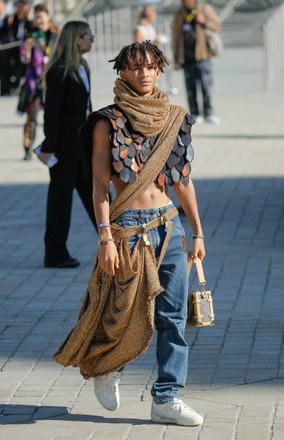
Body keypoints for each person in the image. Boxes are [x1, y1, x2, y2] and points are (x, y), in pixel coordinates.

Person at [53, 41, 206, 427]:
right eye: (135, 67)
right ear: (121, 71)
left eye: (151, 66)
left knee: (171, 317)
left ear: (160, 70)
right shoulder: (107, 121)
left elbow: (183, 181)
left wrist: (198, 232)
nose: (144, 73)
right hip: (128, 232)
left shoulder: (174, 118)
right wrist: (105, 237)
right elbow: (100, 186)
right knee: (120, 311)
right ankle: (107, 367)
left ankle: (167, 397)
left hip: (169, 228)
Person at [36, 21, 96, 269]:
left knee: (96, 194)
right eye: (88, 36)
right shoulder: (60, 70)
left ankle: (117, 240)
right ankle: (55, 252)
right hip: (64, 145)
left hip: (82, 143)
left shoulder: (81, 66)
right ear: (76, 40)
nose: (91, 39)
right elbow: (52, 112)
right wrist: (49, 146)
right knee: (61, 201)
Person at [17, 3, 58, 160]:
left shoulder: (56, 35)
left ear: (48, 17)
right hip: (34, 83)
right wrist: (26, 50)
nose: (39, 20)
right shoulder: (29, 37)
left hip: (52, 83)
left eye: (42, 16)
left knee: (53, 116)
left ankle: (52, 146)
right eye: (37, 17)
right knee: (31, 117)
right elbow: (23, 60)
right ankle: (28, 148)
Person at [172, 0, 221, 124]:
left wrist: (204, 21)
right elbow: (175, 35)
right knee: (190, 87)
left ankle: (209, 113)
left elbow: (217, 24)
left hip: (202, 56)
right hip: (187, 58)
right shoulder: (179, 13)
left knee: (205, 86)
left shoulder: (204, 9)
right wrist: (176, 55)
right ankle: (195, 112)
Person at [4, 0, 32, 93]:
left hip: (25, 46)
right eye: (19, 6)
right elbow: (9, 31)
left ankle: (18, 84)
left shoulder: (29, 19)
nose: (20, 9)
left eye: (22, 6)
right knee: (10, 64)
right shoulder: (13, 19)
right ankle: (10, 85)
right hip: (14, 46)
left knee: (21, 66)